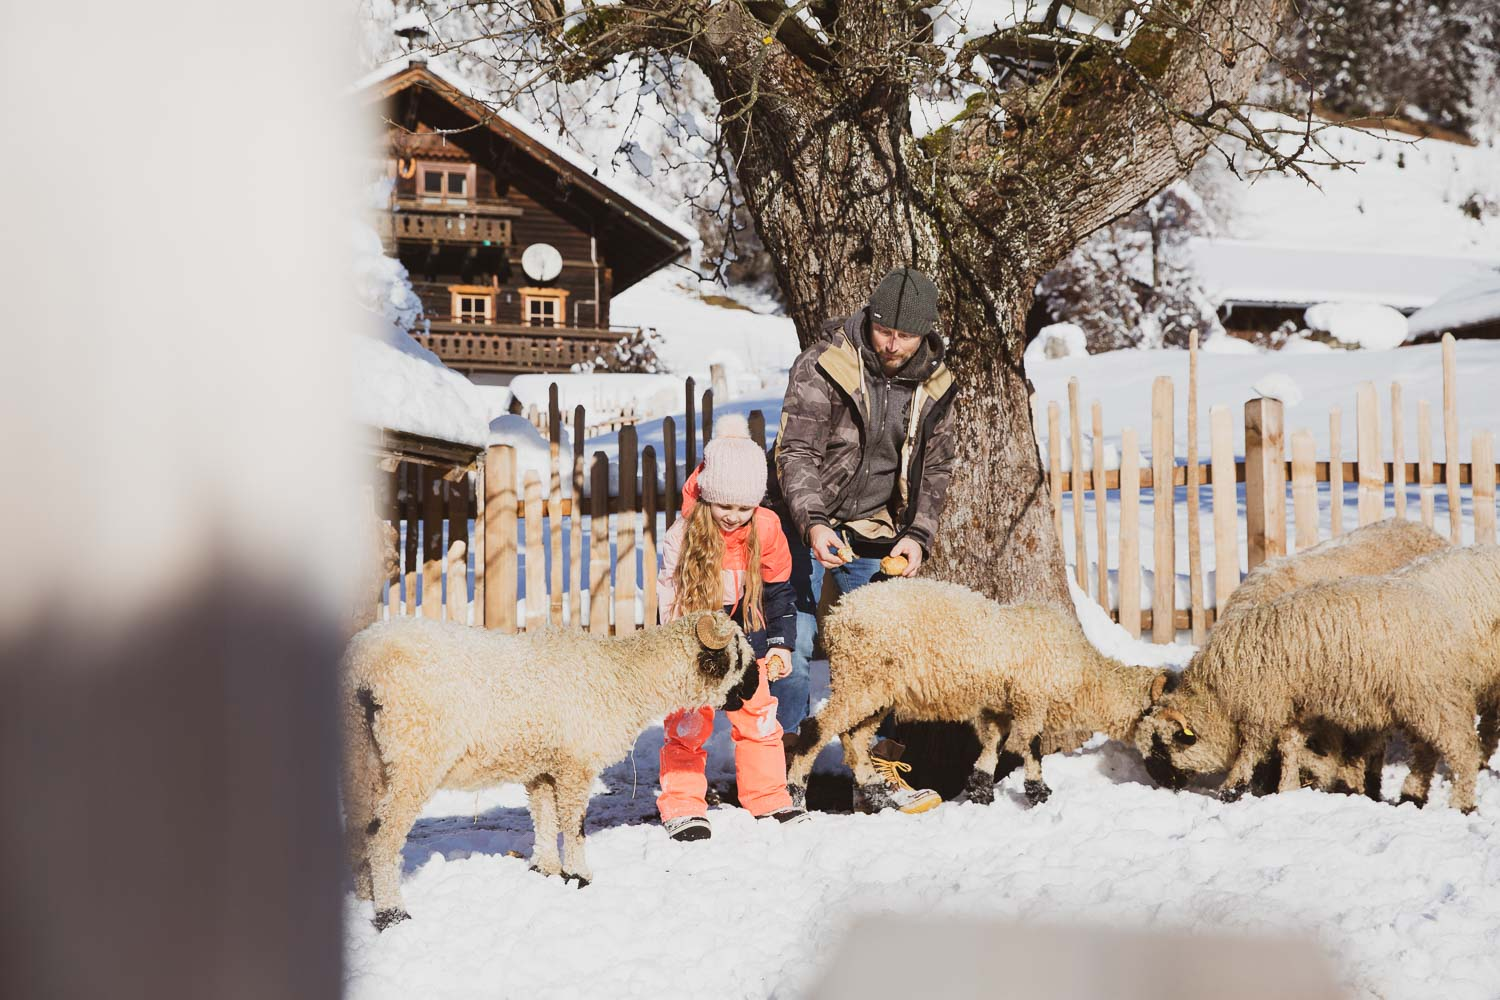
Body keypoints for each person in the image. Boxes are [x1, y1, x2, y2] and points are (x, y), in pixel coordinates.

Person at [772, 267, 958, 814]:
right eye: (883, 330)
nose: (892, 343)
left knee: (889, 647)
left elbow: (937, 467)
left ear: (926, 332)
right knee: (796, 641)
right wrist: (813, 522)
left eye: (905, 334)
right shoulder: (824, 363)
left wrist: (919, 535)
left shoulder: (936, 383)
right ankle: (782, 768)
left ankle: (877, 765)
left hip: (876, 522)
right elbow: (796, 453)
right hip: (800, 518)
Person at [656, 414, 809, 841]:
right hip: (695, 642)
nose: (733, 516)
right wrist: (676, 650)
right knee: (688, 723)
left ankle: (768, 797)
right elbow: (668, 596)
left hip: (749, 638)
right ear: (707, 496)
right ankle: (683, 804)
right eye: (725, 505)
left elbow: (780, 591)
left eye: (744, 507)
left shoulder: (766, 527)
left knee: (760, 719)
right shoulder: (683, 534)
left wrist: (780, 644)